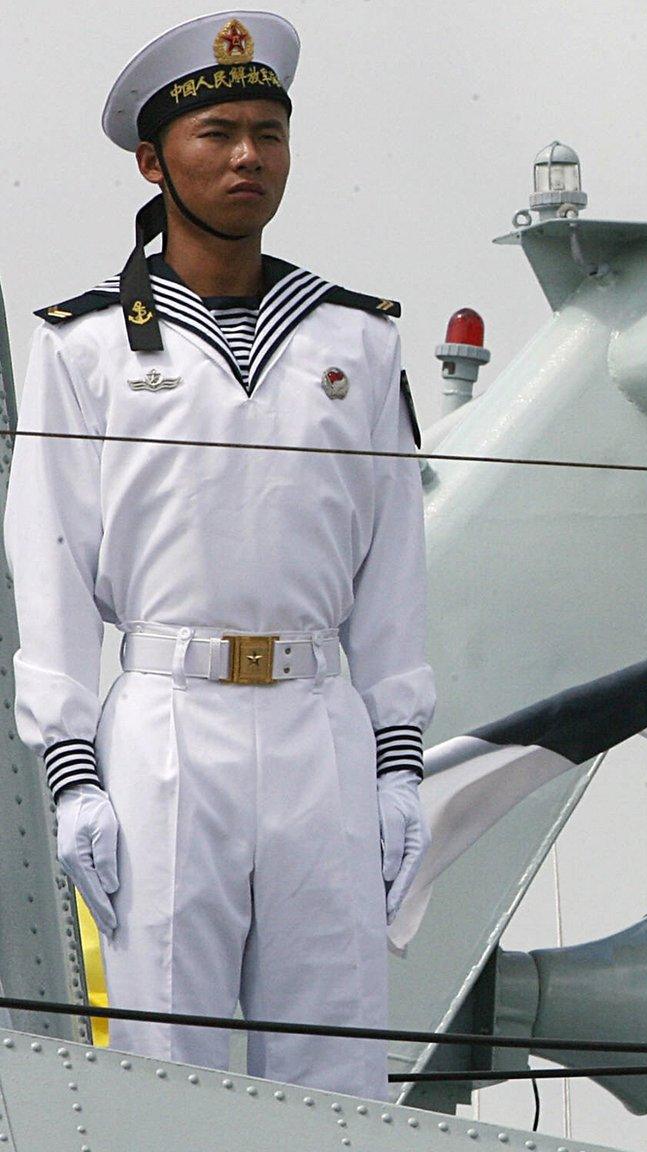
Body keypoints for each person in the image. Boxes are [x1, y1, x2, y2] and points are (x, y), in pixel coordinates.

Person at [8, 10, 433, 1100]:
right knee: (163, 1068)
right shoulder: (84, 346)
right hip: (164, 723)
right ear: (153, 162)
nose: (248, 157)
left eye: (268, 132)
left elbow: (391, 574)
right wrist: (70, 778)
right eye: (218, 135)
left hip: (318, 726)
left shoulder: (358, 340)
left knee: (336, 1070)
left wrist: (396, 767)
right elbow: (48, 567)